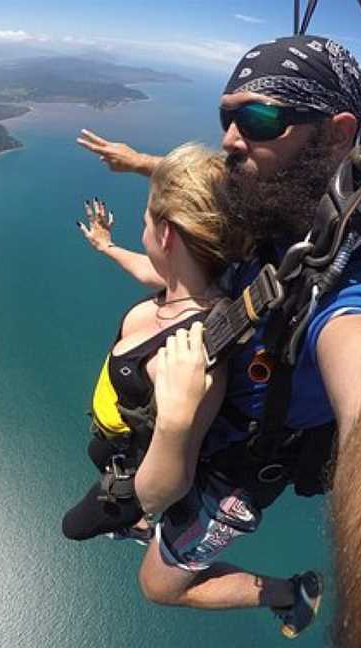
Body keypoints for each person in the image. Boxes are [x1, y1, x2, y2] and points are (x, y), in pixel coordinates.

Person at [77, 34, 361, 646]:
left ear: (336, 134)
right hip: (198, 436)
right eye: (226, 116)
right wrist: (143, 163)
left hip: (227, 480)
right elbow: (219, 187)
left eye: (257, 119)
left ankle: (290, 592)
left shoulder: (350, 289)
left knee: (159, 584)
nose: (231, 138)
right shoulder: (273, 209)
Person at [63, 143, 321, 636]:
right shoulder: (200, 280)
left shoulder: (187, 357)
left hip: (216, 488)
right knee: (101, 476)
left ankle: (294, 592)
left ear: (166, 234)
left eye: (145, 222)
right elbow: (152, 271)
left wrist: (178, 420)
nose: (142, 235)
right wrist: (107, 246)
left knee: (153, 583)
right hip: (140, 446)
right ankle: (143, 529)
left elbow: (166, 488)